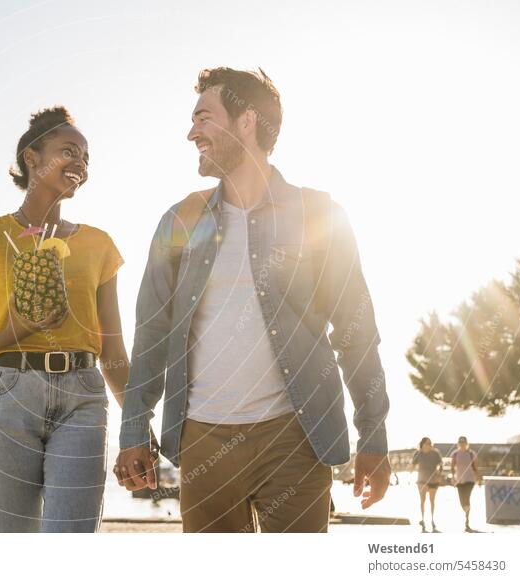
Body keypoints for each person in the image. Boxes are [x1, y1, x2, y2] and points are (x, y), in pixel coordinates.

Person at [116, 66, 391, 533]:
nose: (191, 133)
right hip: (201, 441)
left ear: (246, 122)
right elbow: (151, 335)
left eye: (203, 117)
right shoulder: (179, 220)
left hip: (296, 438)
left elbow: (356, 333)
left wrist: (375, 437)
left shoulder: (320, 215)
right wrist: (132, 430)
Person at [0, 106, 134, 533]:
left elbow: (113, 351)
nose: (80, 161)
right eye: (68, 150)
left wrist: (135, 424)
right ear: (32, 158)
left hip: (83, 398)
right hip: (8, 396)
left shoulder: (99, 246)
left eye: (86, 156)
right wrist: (7, 334)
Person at [451, 436, 482, 532]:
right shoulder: (455, 454)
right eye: (460, 443)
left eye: (464, 443)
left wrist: (479, 478)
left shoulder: (471, 454)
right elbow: (452, 467)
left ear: (466, 443)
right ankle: (466, 513)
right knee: (462, 501)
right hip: (459, 480)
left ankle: (467, 521)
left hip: (470, 480)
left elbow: (476, 467)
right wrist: (452, 477)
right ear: (458, 444)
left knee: (467, 498)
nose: (462, 444)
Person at [411, 437, 442, 532]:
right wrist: (410, 471)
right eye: (427, 443)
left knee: (432, 501)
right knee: (422, 500)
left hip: (433, 480)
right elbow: (413, 465)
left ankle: (432, 520)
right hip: (422, 480)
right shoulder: (418, 453)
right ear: (422, 444)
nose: (429, 445)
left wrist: (439, 473)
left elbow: (440, 464)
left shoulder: (435, 453)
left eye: (430, 443)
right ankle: (423, 519)